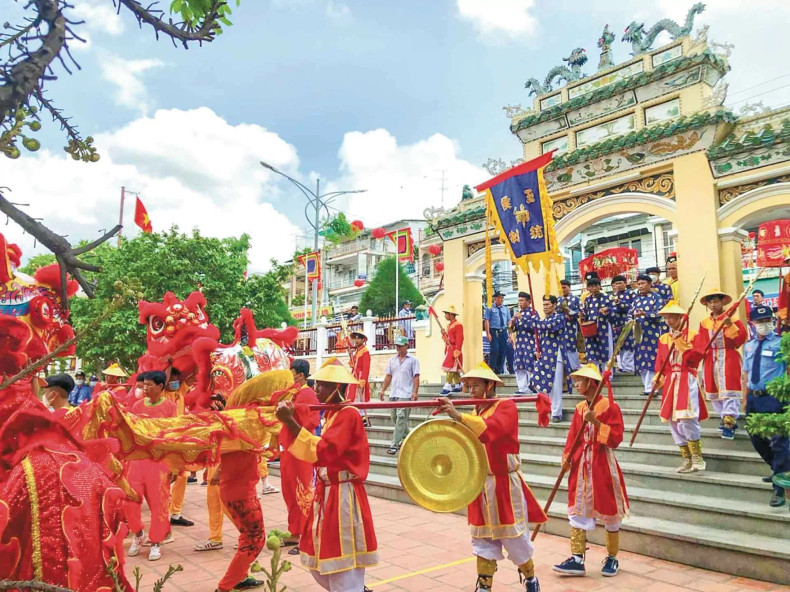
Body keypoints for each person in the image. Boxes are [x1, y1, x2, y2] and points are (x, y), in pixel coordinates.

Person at [436, 362, 547, 592]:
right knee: (483, 537)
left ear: (490, 385)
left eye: (476, 386)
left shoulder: (505, 406)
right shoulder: (475, 411)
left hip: (504, 483)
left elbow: (491, 430)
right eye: (469, 386)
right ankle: (485, 585)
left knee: (513, 538)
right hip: (481, 483)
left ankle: (531, 577)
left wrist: (459, 416)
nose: (472, 391)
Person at [276, 359, 378, 592]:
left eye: (321, 385)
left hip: (341, 493)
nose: (316, 390)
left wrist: (291, 422)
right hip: (328, 493)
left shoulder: (348, 414)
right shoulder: (333, 414)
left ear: (336, 387)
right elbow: (316, 452)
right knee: (320, 559)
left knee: (342, 560)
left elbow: (325, 451)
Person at [213, 369, 294, 592]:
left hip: (236, 489)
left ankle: (239, 577)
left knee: (247, 536)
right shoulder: (246, 420)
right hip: (240, 493)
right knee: (255, 539)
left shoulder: (238, 419)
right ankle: (225, 586)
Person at [553, 364, 629, 578]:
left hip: (601, 463)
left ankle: (612, 558)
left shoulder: (609, 407)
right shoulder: (579, 408)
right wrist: (567, 456)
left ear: (591, 383)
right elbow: (573, 437)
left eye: (579, 380)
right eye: (575, 380)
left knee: (610, 512)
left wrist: (596, 422)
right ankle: (577, 559)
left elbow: (616, 438)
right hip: (582, 465)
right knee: (578, 510)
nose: (575, 384)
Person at [126, 371, 177, 562]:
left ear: (160, 386)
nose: (145, 388)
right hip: (137, 461)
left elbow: (174, 437)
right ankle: (138, 534)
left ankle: (155, 542)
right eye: (143, 385)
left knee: (159, 503)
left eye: (148, 385)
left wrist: (174, 466)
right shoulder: (137, 406)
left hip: (159, 462)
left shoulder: (170, 407)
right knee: (129, 500)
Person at [743, 305, 790, 507]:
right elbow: (745, 372)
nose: (764, 325)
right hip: (754, 398)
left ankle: (779, 488)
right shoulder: (749, 346)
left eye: (767, 321)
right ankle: (778, 470)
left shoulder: (782, 343)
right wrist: (744, 399)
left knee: (780, 442)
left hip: (775, 397)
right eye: (759, 322)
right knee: (757, 440)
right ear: (752, 324)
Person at [654, 301, 708, 473]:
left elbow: (695, 358)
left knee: (687, 417)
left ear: (680, 318)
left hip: (686, 377)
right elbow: (660, 364)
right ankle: (686, 457)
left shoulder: (692, 335)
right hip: (670, 381)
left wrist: (680, 342)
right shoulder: (663, 339)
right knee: (673, 420)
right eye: (666, 318)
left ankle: (697, 457)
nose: (668, 321)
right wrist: (658, 378)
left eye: (671, 317)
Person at [278, 360, 320, 551]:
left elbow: (310, 421)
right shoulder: (293, 394)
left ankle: (306, 535)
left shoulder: (307, 393)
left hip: (301, 449)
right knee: (289, 491)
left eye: (292, 373)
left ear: (301, 375)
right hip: (289, 449)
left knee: (303, 491)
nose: (290, 376)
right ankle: (295, 532)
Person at [698, 290, 748, 439]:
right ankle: (725, 418)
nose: (713, 305)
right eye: (710, 302)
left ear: (722, 302)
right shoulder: (704, 323)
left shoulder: (733, 319)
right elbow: (701, 343)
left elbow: (740, 340)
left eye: (716, 301)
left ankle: (728, 421)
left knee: (730, 390)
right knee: (714, 393)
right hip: (710, 359)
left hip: (729, 356)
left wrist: (730, 326)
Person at [527, 295, 566, 422]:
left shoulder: (559, 317)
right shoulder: (543, 320)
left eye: (547, 305)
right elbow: (539, 337)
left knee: (555, 385)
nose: (545, 307)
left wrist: (534, 321)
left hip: (556, 355)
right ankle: (548, 407)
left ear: (554, 305)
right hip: (544, 356)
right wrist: (536, 351)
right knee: (538, 381)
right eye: (543, 305)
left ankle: (556, 413)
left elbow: (548, 326)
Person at [165, 367, 196, 527]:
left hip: (180, 441)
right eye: (172, 379)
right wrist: (169, 363)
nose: (175, 382)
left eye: (177, 379)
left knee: (182, 476)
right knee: (164, 478)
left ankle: (175, 514)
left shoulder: (180, 392)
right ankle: (161, 513)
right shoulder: (162, 395)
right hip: (164, 443)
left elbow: (194, 375)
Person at [380, 335, 420, 455]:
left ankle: (394, 445)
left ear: (407, 346)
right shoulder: (392, 360)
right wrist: (383, 390)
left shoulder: (413, 360)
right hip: (394, 393)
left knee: (401, 417)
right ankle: (413, 438)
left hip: (405, 393)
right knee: (395, 418)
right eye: (397, 345)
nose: (398, 348)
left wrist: (415, 392)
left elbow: (416, 376)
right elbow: (388, 376)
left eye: (401, 346)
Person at [629, 274, 665, 396]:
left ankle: (653, 387)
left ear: (650, 284)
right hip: (639, 333)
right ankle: (646, 387)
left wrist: (646, 314)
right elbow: (630, 313)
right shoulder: (636, 299)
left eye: (643, 283)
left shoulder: (657, 297)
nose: (640, 286)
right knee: (641, 360)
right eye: (638, 284)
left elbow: (660, 314)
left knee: (651, 359)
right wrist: (632, 319)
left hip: (652, 333)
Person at [580, 277, 612, 372]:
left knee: (605, 350)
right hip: (590, 329)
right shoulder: (587, 299)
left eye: (596, 285)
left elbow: (615, 309)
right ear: (588, 288)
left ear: (600, 286)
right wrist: (581, 315)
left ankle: (607, 375)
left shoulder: (607, 297)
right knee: (592, 351)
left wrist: (608, 310)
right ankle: (596, 373)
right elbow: (584, 312)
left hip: (604, 327)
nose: (594, 288)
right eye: (591, 286)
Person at [510, 292, 537, 394]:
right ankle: (522, 388)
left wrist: (522, 318)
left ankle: (532, 386)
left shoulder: (533, 313)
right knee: (519, 365)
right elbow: (513, 329)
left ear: (528, 301)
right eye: (519, 301)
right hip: (520, 343)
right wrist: (512, 324)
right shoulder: (518, 313)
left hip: (529, 343)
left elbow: (534, 326)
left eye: (522, 301)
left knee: (529, 364)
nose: (520, 303)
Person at [610, 275, 635, 373]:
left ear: (625, 283)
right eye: (616, 284)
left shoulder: (631, 294)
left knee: (629, 344)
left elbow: (632, 307)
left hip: (628, 323)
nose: (618, 285)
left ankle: (629, 367)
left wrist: (620, 303)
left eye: (620, 283)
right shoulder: (613, 295)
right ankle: (621, 366)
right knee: (619, 345)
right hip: (616, 324)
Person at [558, 279, 582, 373]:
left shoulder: (575, 299)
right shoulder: (558, 300)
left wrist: (570, 313)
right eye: (561, 288)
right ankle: (565, 366)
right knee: (563, 345)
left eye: (564, 287)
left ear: (569, 288)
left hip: (571, 326)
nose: (563, 290)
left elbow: (580, 312)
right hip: (561, 327)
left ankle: (574, 366)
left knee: (571, 345)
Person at [485, 291, 512, 374]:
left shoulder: (506, 309)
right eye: (499, 298)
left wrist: (510, 334)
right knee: (495, 349)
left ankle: (499, 369)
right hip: (494, 331)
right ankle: (492, 367)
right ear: (495, 299)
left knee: (503, 350)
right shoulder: (489, 308)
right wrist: (488, 333)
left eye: (502, 298)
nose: (501, 299)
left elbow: (509, 321)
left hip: (503, 331)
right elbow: (487, 321)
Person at [441, 305, 464, 394]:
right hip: (450, 348)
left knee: (450, 368)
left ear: (450, 314)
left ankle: (448, 385)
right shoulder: (449, 325)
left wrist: (458, 350)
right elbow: (447, 340)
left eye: (446, 314)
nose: (445, 316)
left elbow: (460, 338)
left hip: (454, 349)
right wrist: (444, 334)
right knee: (454, 369)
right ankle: (458, 384)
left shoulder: (458, 325)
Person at [347, 330, 371, 409]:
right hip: (354, 377)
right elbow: (353, 365)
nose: (356, 340)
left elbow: (366, 368)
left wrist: (362, 381)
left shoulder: (365, 351)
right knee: (351, 397)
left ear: (363, 340)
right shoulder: (357, 351)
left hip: (360, 378)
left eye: (358, 339)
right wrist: (350, 355)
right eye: (355, 338)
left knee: (359, 400)